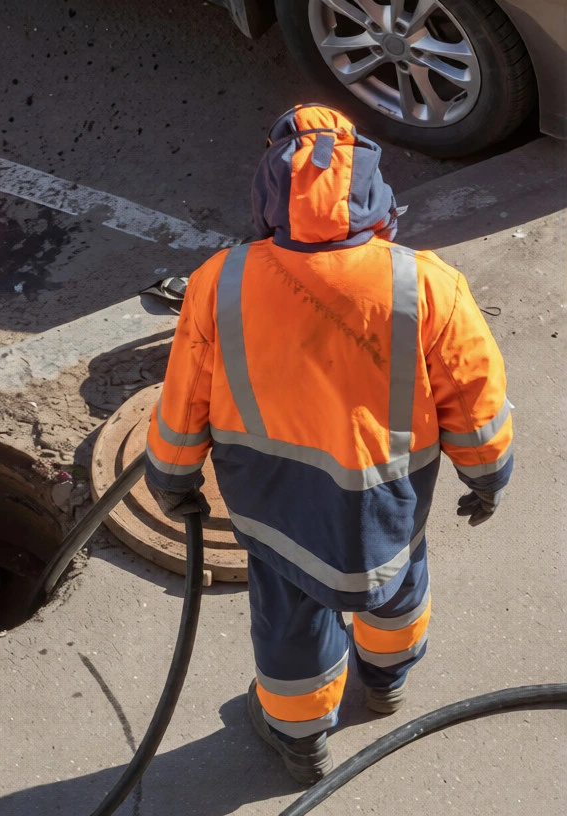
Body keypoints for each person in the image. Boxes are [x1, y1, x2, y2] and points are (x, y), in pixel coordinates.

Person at [144, 104, 512, 784]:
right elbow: (473, 395)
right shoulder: (425, 282)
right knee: (396, 589)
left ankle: (301, 741)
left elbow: (186, 394)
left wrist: (171, 476)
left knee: (292, 623)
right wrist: (486, 475)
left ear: (268, 193)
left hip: (275, 505)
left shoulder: (222, 280)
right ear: (376, 193)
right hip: (387, 502)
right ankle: (387, 683)